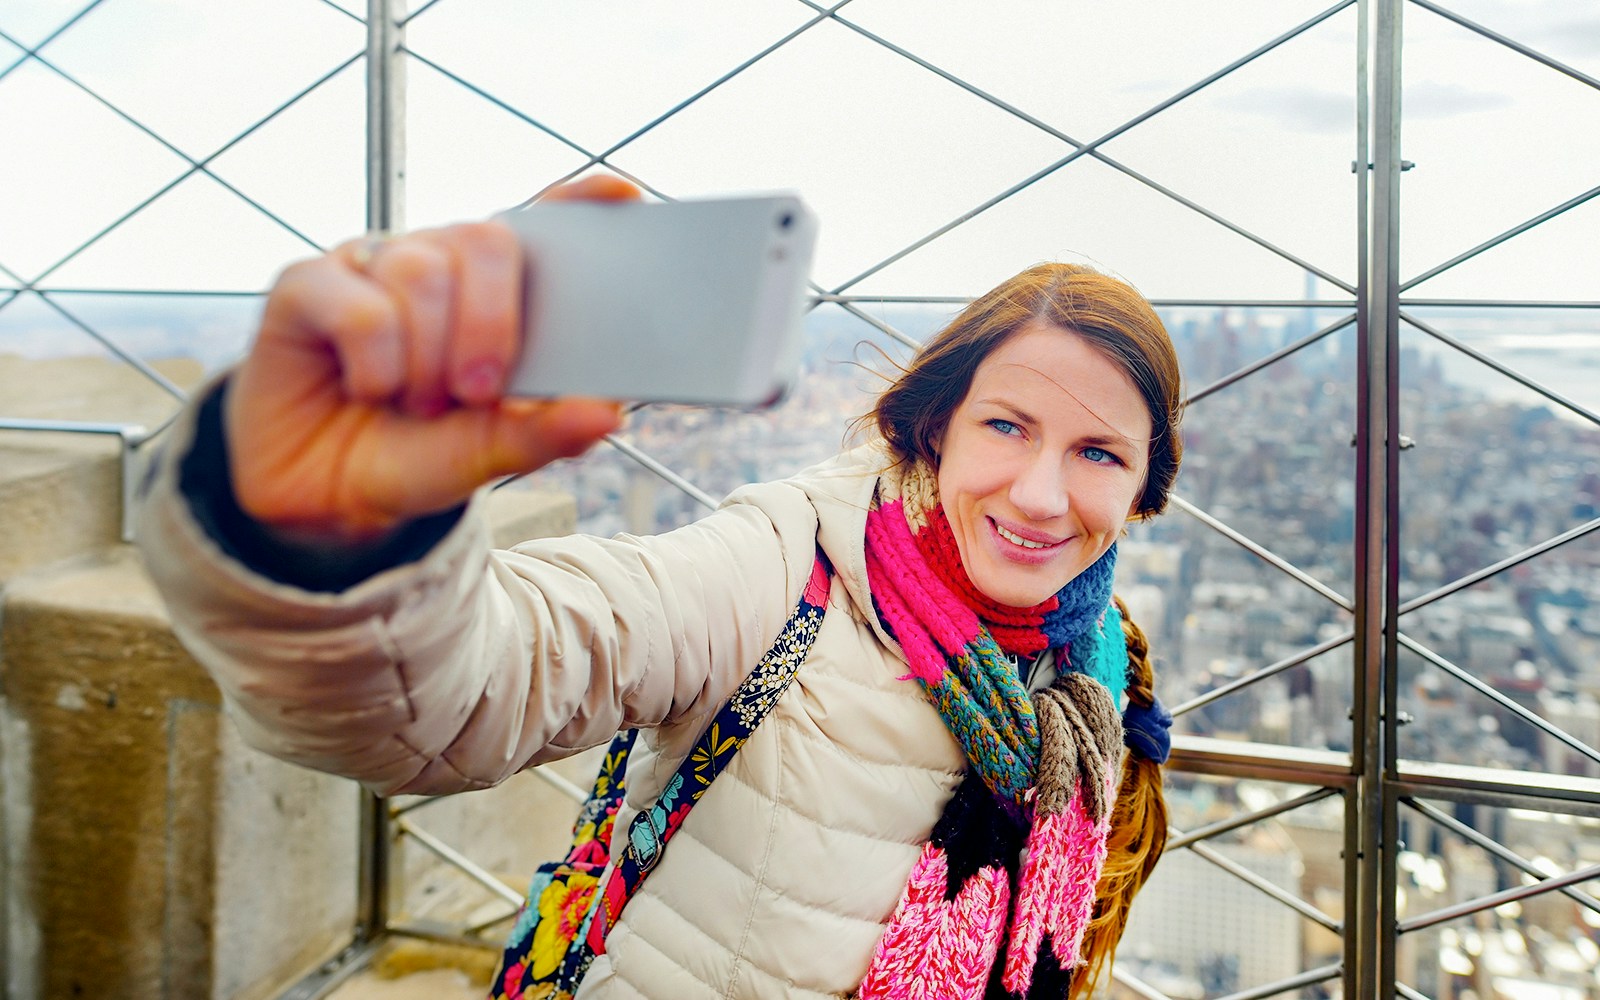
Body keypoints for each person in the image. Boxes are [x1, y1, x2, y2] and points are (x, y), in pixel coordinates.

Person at [135, 177, 1181, 999]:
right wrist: (329, 534)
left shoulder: (1098, 676)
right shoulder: (784, 565)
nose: (1042, 495)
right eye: (1005, 425)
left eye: (1097, 452)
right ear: (936, 426)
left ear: (1143, 488)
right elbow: (476, 688)